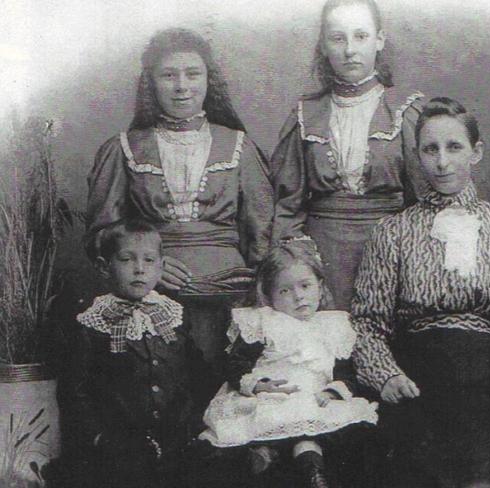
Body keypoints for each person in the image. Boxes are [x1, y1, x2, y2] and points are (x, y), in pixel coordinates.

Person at [351, 97, 490, 487]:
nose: (442, 162)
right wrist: (386, 376)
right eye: (430, 149)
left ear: (476, 152)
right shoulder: (393, 231)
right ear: (417, 155)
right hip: (416, 379)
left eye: (454, 147)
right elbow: (367, 324)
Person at [85, 28, 274, 379]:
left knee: (226, 387)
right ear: (151, 84)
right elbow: (102, 233)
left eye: (193, 74)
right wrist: (151, 265)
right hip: (151, 293)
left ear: (209, 81)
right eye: (168, 75)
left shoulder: (239, 146)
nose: (181, 86)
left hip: (230, 293)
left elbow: (262, 232)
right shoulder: (125, 148)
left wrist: (254, 295)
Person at [271, 0, 427, 310]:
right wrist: (300, 258)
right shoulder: (306, 114)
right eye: (337, 38)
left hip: (391, 250)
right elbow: (287, 203)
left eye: (361, 36)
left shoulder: (405, 112)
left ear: (379, 40)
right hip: (322, 253)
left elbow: (424, 198)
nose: (349, 50)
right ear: (324, 46)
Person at [200, 240, 378, 487]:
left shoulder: (334, 326)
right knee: (267, 422)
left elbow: (346, 374)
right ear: (270, 296)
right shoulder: (264, 322)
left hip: (314, 397)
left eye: (305, 286)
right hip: (270, 396)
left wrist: (332, 391)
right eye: (285, 291)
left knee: (313, 432)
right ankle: (264, 456)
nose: (298, 296)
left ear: (320, 286)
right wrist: (260, 385)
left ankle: (314, 475)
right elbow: (237, 364)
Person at [57, 219, 220, 488]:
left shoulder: (172, 315)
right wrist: (99, 437)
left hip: (177, 438)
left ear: (161, 268)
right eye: (126, 260)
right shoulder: (92, 323)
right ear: (103, 266)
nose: (139, 269)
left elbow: (197, 370)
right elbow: (75, 392)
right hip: (120, 448)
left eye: (149, 260)